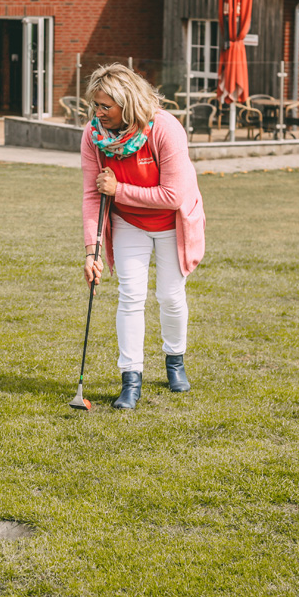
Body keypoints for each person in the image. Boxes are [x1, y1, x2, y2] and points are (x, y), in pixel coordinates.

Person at [82, 63, 205, 410]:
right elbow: (93, 195)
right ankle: (130, 379)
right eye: (96, 105)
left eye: (106, 106)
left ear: (128, 103)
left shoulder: (164, 129)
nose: (99, 113)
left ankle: (174, 361)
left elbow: (173, 196)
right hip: (129, 223)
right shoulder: (94, 136)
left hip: (171, 223)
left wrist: (119, 189)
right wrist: (91, 251)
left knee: (169, 296)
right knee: (131, 297)